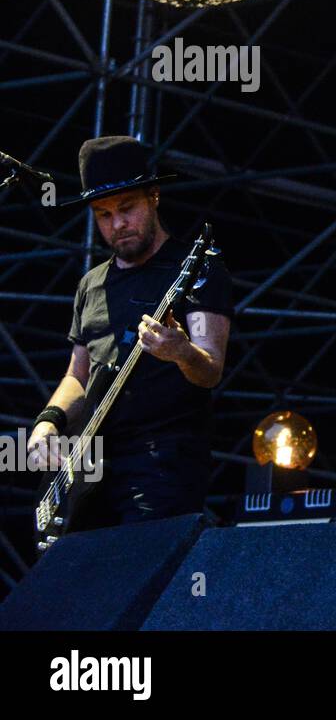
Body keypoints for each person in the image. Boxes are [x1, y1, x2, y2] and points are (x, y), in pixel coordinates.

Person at [26, 136, 233, 527]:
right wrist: (48, 421)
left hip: (162, 464)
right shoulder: (92, 283)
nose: (117, 224)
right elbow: (78, 374)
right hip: (90, 466)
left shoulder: (198, 268)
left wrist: (182, 352)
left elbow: (211, 370)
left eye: (127, 208)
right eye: (103, 215)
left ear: (153, 196)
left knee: (140, 577)